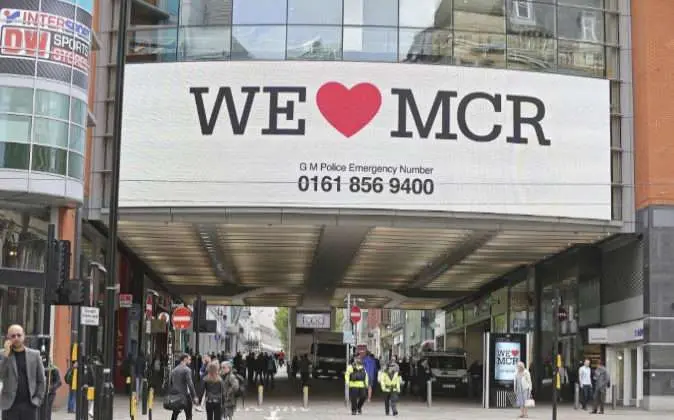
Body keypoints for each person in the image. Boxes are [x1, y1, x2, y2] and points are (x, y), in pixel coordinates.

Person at [0, 324, 46, 420]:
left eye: (19, 335)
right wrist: (5, 356)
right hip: (9, 406)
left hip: (29, 405)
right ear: (8, 338)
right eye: (13, 336)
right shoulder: (3, 354)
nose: (16, 338)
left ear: (24, 336)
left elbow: (41, 380)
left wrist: (37, 400)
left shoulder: (35, 355)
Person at [168, 353, 198, 420]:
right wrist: (194, 396)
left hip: (175, 396)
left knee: (174, 415)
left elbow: (170, 384)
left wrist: (171, 395)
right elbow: (190, 384)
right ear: (185, 359)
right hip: (185, 396)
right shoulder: (187, 370)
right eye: (189, 359)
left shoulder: (174, 370)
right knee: (189, 415)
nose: (190, 361)